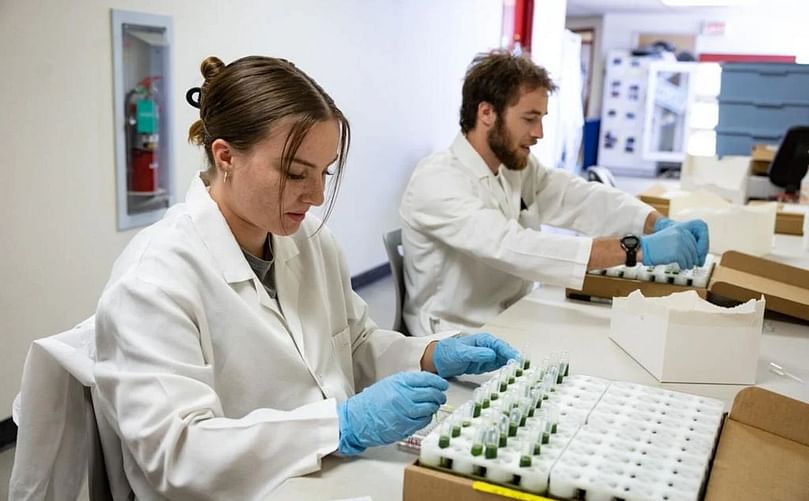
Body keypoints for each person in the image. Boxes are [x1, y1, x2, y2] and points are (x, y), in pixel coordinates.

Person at [93, 55, 519, 499]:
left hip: (327, 475)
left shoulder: (310, 239)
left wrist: (431, 353)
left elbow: (353, 342)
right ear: (226, 157)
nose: (316, 196)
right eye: (296, 173)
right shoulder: (154, 280)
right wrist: (341, 425)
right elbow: (178, 454)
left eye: (324, 172)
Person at [399, 51, 709, 337]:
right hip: (454, 334)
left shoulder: (513, 167)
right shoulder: (437, 180)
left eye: (542, 119)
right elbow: (511, 247)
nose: (539, 133)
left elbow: (578, 197)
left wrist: (654, 224)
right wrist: (634, 249)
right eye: (529, 118)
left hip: (512, 315)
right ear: (486, 113)